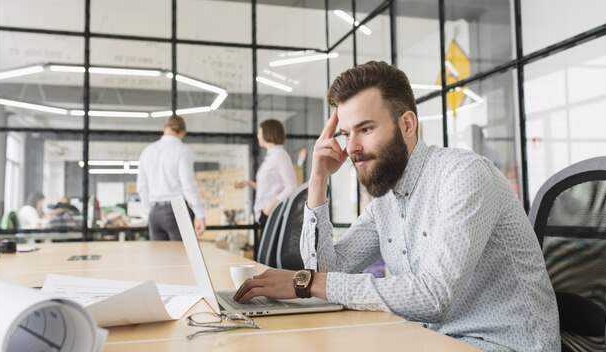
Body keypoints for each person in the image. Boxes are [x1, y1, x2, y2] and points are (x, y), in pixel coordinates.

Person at [233, 61, 561, 351]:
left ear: (407, 124)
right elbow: (327, 272)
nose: (352, 148)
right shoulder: (386, 200)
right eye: (347, 133)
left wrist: (302, 283)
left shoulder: (463, 174)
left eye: (366, 129)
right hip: (435, 339)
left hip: (503, 343)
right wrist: (318, 180)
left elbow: (433, 296)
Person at [137, 115, 205, 241]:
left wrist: (148, 212)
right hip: (177, 210)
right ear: (184, 132)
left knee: (160, 259)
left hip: (154, 212)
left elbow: (142, 186)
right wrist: (200, 214)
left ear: (164, 128)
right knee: (182, 256)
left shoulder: (147, 151)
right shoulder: (182, 150)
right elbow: (188, 185)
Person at [234, 119, 297, 231]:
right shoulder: (272, 156)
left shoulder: (279, 155)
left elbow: (291, 187)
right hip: (265, 214)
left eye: (260, 132)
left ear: (268, 133)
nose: (258, 136)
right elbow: (269, 188)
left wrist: (269, 207)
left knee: (271, 248)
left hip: (272, 213)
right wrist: (249, 183)